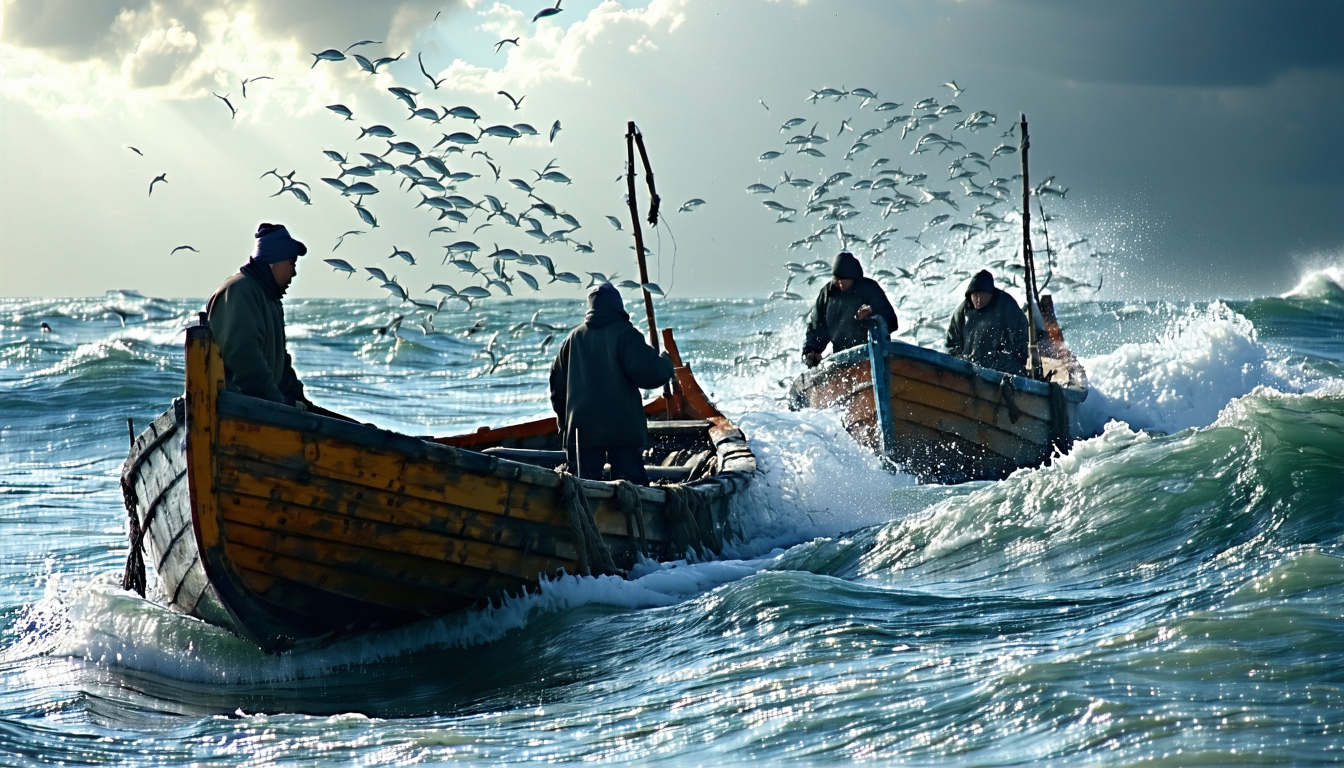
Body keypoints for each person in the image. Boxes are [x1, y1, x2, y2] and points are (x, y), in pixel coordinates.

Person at [549, 283, 674, 485]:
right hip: (622, 430)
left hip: (582, 431)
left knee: (584, 488)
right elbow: (650, 374)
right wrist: (666, 365)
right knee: (631, 489)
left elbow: (557, 388)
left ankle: (587, 515)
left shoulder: (572, 339)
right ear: (618, 305)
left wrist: (565, 424)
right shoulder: (626, 334)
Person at [206, 223, 310, 407]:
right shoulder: (239, 291)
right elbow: (243, 354)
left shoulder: (271, 298)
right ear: (273, 262)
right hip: (237, 408)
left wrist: (297, 398)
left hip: (263, 405)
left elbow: (280, 363)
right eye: (292, 263)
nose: (294, 272)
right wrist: (277, 404)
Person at [802, 251, 899, 367]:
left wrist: (873, 313)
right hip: (841, 360)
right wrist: (811, 352)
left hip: (872, 355)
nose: (840, 284)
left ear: (853, 277)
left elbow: (892, 321)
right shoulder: (827, 294)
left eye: (844, 281)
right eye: (837, 280)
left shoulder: (869, 288)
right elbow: (816, 329)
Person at [945, 269, 1029, 375]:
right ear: (970, 295)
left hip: (1001, 373)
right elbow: (952, 345)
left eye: (983, 295)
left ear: (991, 294)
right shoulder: (962, 312)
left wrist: (1001, 360)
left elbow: (1019, 342)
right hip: (969, 372)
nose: (979, 299)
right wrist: (961, 361)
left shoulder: (1006, 305)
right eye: (976, 296)